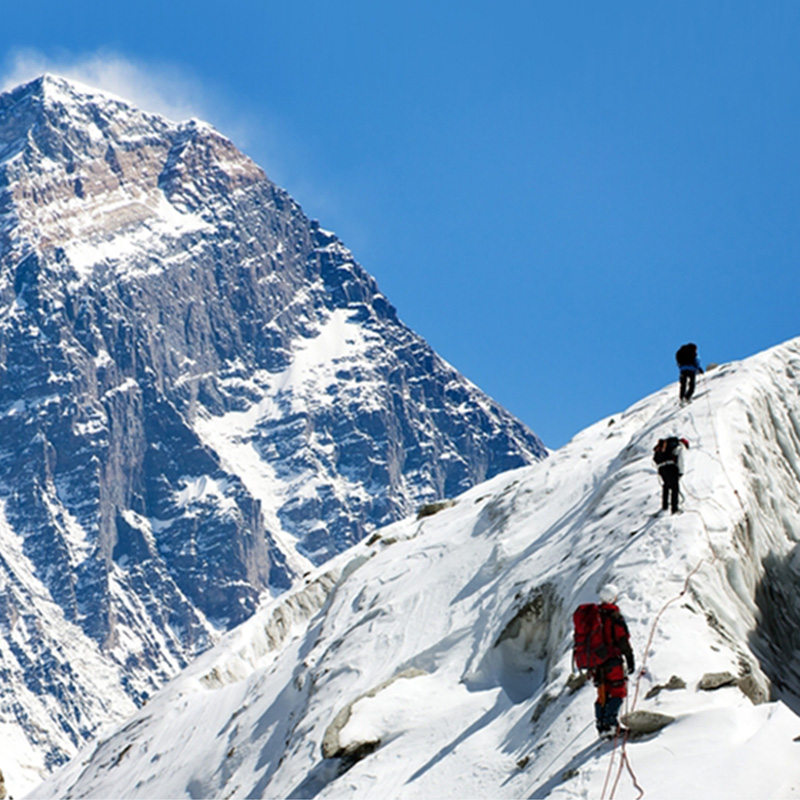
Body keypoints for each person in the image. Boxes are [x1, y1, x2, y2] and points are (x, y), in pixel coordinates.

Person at [593, 584, 635, 738]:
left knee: (602, 692)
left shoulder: (595, 616)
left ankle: (601, 726)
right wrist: (630, 658)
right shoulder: (614, 616)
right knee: (617, 691)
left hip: (597, 663)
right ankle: (611, 724)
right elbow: (622, 639)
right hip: (612, 660)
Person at [653, 436, 688, 514]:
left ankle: (664, 506)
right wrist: (681, 472)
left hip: (662, 468)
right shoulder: (679, 446)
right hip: (671, 467)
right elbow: (680, 459)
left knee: (666, 486)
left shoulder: (665, 445)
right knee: (675, 488)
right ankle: (674, 509)